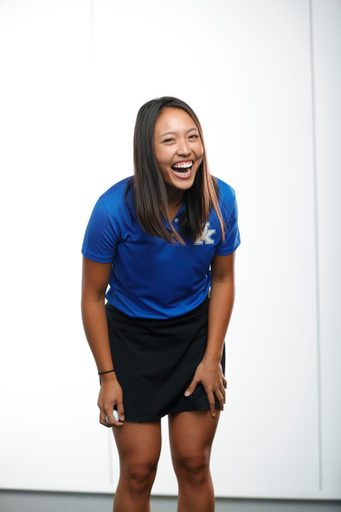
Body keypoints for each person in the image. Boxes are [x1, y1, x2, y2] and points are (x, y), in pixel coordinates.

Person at [81, 96, 240, 512]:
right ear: (147, 152)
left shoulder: (220, 201)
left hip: (194, 338)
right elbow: (92, 297)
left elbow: (222, 279)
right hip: (131, 343)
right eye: (169, 140)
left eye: (193, 137)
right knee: (138, 468)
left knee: (193, 463)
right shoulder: (112, 210)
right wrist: (107, 376)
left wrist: (211, 360)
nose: (185, 149)